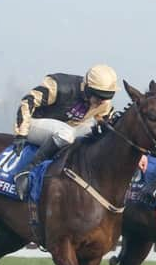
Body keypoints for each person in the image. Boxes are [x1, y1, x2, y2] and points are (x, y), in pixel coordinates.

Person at [12, 64, 119, 200]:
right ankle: (28, 169)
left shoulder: (103, 102)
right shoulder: (58, 86)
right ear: (87, 88)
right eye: (98, 97)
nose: (101, 102)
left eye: (106, 97)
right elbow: (28, 101)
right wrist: (21, 133)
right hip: (35, 123)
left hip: (67, 129)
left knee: (93, 133)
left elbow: (112, 126)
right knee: (66, 133)